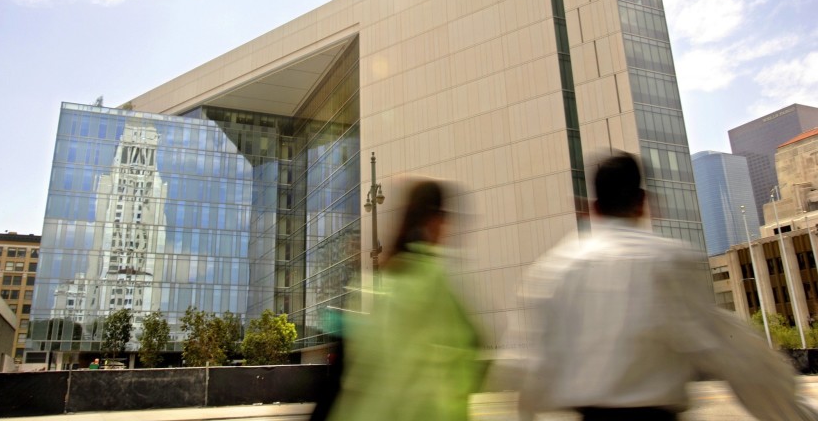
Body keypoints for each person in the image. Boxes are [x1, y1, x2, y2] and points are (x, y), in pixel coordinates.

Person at [516, 152, 817, 421]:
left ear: (592, 208)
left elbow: (535, 368)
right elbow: (734, 356)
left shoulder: (555, 269)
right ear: (644, 202)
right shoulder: (668, 260)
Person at [327, 179, 486, 421]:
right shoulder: (431, 277)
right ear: (435, 220)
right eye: (446, 219)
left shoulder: (377, 282)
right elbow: (472, 343)